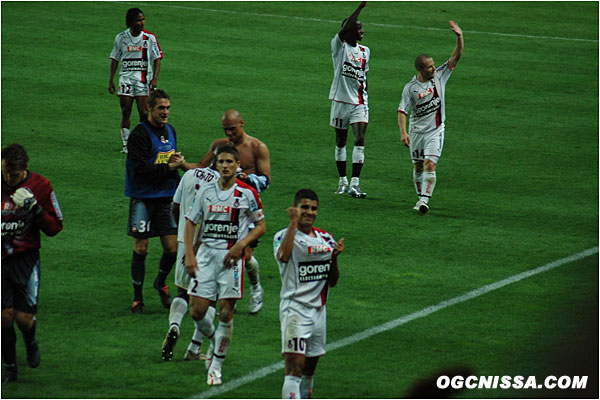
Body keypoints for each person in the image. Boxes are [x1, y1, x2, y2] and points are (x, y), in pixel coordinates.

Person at [184, 144, 266, 386]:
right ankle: (213, 339)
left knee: (225, 313)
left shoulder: (247, 193)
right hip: (206, 257)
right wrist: (189, 254)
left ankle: (215, 366)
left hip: (232, 261)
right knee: (197, 312)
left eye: (231, 162)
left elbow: (261, 226)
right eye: (222, 162)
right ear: (216, 164)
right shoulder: (205, 192)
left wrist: (242, 244)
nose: (226, 166)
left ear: (237, 164)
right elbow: (190, 223)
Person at [185, 109, 270, 315]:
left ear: (242, 123)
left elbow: (266, 180)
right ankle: (226, 292)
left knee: (245, 254)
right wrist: (183, 166)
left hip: (244, 206)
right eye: (226, 130)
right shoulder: (219, 147)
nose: (229, 134)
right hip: (219, 206)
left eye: (232, 129)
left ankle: (255, 287)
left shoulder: (257, 147)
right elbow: (201, 167)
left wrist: (246, 180)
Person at [1, 143, 64, 384]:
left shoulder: (41, 186)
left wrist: (36, 210)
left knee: (23, 319)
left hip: (25, 260)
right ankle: (10, 367)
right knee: (4, 316)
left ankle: (30, 341)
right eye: (5, 171)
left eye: (14, 174)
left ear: (25, 168)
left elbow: (55, 227)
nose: (8, 178)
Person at [274, 189, 345, 399]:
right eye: (305, 207)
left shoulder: (325, 238)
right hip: (294, 310)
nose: (310, 212)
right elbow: (284, 257)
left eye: (313, 208)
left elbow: (333, 281)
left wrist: (335, 257)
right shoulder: (283, 236)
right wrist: (292, 224)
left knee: (309, 371)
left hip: (319, 312)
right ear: (295, 208)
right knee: (294, 370)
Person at [125, 89, 185, 313]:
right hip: (143, 197)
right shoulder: (139, 134)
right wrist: (169, 167)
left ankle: (160, 282)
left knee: (172, 249)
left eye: (168, 108)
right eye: (161, 108)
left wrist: (177, 169)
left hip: (166, 197)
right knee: (141, 248)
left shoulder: (170, 131)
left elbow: (170, 161)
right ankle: (137, 298)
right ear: (150, 108)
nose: (165, 112)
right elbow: (139, 169)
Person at [397, 20, 464, 214]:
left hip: (436, 131)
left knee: (430, 163)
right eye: (429, 67)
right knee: (418, 166)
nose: (434, 69)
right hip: (417, 132)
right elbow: (402, 111)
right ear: (420, 69)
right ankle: (420, 198)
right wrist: (403, 133)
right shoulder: (410, 89)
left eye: (433, 65)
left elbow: (455, 58)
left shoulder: (440, 76)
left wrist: (459, 37)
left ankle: (424, 200)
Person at [161, 163, 220, 362]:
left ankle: (174, 326)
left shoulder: (190, 174)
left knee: (182, 291)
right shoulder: (220, 184)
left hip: (184, 239)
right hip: (208, 245)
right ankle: (194, 348)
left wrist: (182, 231)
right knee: (210, 299)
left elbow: (175, 206)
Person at [329, 1, 370, 198]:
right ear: (349, 31)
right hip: (340, 102)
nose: (362, 32)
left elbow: (364, 76)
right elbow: (344, 28)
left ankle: (355, 183)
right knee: (340, 141)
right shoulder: (338, 47)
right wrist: (359, 7)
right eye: (358, 28)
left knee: (359, 138)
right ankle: (342, 181)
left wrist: (365, 99)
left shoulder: (365, 51)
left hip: (360, 103)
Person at [109, 7, 163, 154]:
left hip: (143, 79)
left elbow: (157, 59)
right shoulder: (121, 38)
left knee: (144, 112)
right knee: (126, 110)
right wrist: (111, 80)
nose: (142, 22)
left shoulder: (149, 38)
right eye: (138, 20)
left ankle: (143, 143)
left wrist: (155, 79)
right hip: (126, 78)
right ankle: (127, 144)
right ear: (131, 22)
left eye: (143, 19)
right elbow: (114, 59)